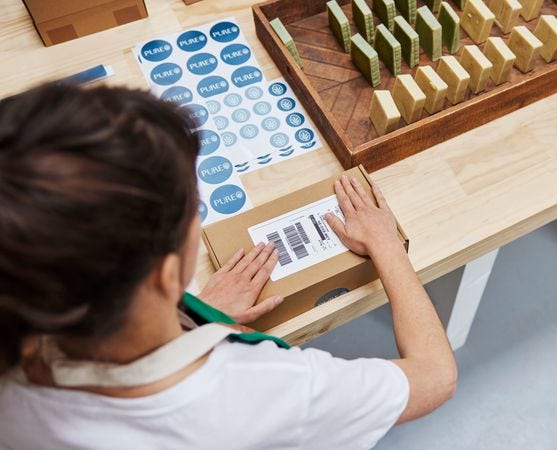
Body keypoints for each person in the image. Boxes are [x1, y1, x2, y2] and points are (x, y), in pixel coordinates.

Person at [0, 83, 457, 449]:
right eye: (192, 211)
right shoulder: (269, 391)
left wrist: (189, 312)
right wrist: (387, 244)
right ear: (164, 274)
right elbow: (435, 377)